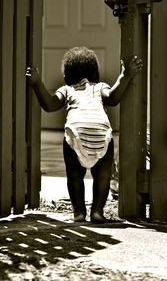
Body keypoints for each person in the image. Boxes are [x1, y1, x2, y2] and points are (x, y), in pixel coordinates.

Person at [26, 46, 143, 223]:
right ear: (96, 73)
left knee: (75, 176)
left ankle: (79, 212)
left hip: (76, 134)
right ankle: (97, 211)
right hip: (101, 134)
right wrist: (125, 76)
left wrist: (36, 83)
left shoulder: (67, 90)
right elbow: (112, 98)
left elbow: (49, 105)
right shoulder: (99, 87)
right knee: (102, 176)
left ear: (66, 76)